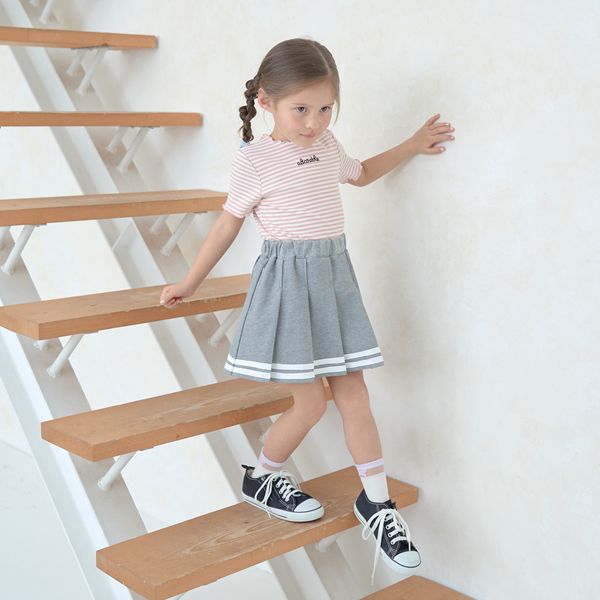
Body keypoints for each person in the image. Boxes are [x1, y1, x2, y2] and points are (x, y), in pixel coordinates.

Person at [159, 37, 455, 584]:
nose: (315, 122)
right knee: (311, 404)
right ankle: (262, 477)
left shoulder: (327, 143)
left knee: (354, 393)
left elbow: (360, 173)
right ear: (267, 101)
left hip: (334, 278)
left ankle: (376, 503)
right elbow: (227, 224)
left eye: (325, 109)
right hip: (289, 286)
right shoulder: (254, 160)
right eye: (302, 109)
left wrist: (412, 144)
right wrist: (189, 281)